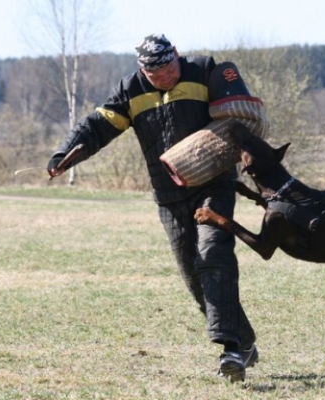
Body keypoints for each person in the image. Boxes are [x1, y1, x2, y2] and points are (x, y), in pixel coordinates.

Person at [47, 34, 263, 382]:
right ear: (142, 70)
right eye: (155, 74)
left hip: (214, 184)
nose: (164, 77)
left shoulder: (205, 70)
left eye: (169, 68)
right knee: (193, 273)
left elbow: (238, 115)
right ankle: (245, 341)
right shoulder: (131, 89)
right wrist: (65, 154)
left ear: (177, 55)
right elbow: (99, 125)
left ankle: (231, 348)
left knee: (213, 253)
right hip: (169, 195)